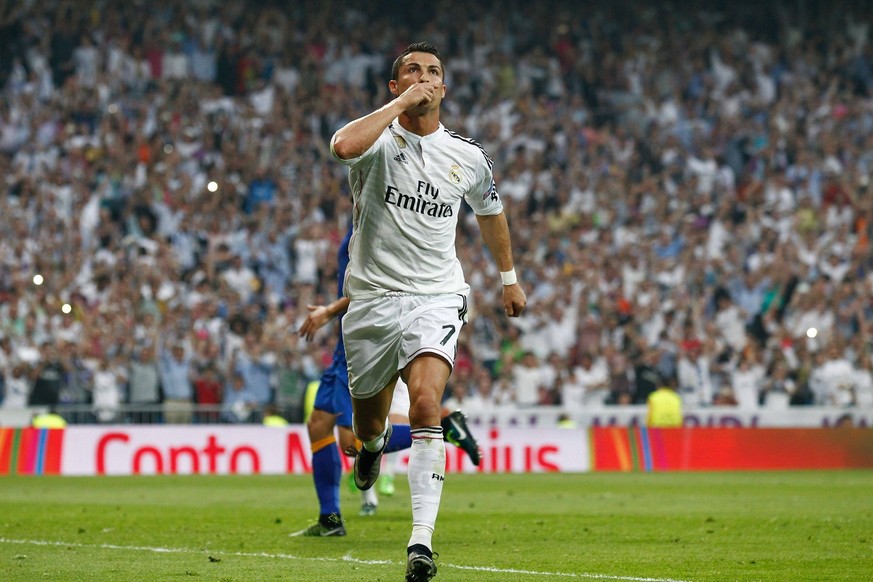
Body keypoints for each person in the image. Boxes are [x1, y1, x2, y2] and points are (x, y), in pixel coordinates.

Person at [330, 42, 526, 581]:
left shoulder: (467, 155)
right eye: (412, 72)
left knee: (424, 403)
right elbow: (343, 146)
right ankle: (370, 449)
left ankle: (421, 542)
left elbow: (492, 212)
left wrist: (508, 279)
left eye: (434, 72)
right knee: (367, 425)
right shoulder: (375, 139)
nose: (424, 78)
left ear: (444, 87)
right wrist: (399, 107)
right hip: (371, 300)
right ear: (395, 86)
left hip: (437, 295)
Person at [293, 226, 482, 539]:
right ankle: (330, 519)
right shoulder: (360, 223)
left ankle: (445, 428)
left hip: (362, 338)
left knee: (353, 443)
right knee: (318, 424)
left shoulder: (380, 225)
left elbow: (374, 289)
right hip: (346, 342)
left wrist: (330, 310)